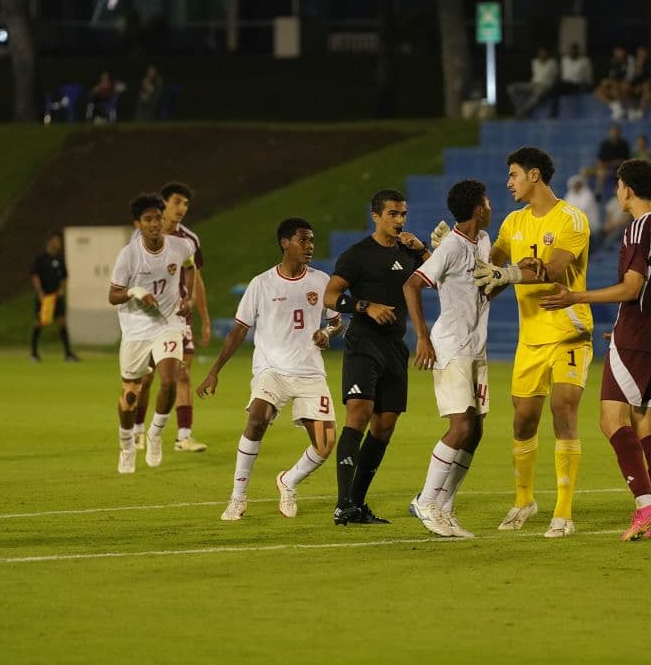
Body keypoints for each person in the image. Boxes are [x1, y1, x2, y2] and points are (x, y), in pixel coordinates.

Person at [540, 158, 651, 540]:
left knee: (610, 421)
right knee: (646, 425)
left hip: (637, 335)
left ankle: (645, 504)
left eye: (619, 184)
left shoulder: (639, 228)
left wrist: (576, 296)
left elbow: (631, 288)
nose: (616, 191)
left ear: (628, 189)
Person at [472, 147, 593, 538]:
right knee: (523, 420)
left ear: (535, 175)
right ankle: (524, 500)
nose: (509, 183)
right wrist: (454, 252)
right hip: (532, 338)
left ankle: (563, 511)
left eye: (513, 175)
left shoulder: (571, 219)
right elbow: (489, 273)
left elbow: (553, 269)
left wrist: (506, 274)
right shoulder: (512, 223)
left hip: (569, 330)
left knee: (563, 409)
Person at [197, 218, 345, 521]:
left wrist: (327, 334)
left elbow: (336, 320)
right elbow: (239, 330)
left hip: (309, 372)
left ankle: (288, 481)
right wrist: (215, 370)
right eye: (303, 240)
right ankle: (238, 498)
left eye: (312, 240)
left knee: (326, 445)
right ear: (285, 243)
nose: (310, 246)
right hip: (272, 369)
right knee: (258, 417)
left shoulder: (321, 280)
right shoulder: (261, 284)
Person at [323, 189, 430, 525]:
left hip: (395, 347)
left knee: (384, 426)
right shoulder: (357, 255)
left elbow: (441, 280)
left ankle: (357, 502)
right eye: (392, 214)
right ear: (376, 216)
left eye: (403, 214)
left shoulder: (409, 253)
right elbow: (330, 296)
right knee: (360, 412)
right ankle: (342, 505)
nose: (399, 221)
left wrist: (423, 250)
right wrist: (366, 307)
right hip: (364, 343)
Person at [403, 179, 493, 538]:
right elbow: (411, 284)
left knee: (476, 430)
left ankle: (445, 505)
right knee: (460, 427)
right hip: (451, 345)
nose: (490, 208)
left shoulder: (482, 242)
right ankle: (426, 501)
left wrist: (511, 275)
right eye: (486, 203)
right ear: (477, 209)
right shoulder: (453, 245)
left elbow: (485, 289)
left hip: (476, 346)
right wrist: (423, 338)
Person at [107, 193, 195, 474]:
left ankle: (156, 434)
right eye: (148, 220)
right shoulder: (129, 255)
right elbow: (113, 295)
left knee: (169, 380)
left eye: (158, 217)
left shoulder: (180, 246)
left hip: (168, 324)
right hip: (135, 330)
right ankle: (126, 445)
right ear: (138, 225)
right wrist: (135, 291)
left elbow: (190, 267)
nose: (155, 223)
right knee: (131, 394)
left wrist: (188, 297)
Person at [131, 182, 210, 454]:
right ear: (163, 203)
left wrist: (204, 317)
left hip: (178, 317)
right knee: (147, 376)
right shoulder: (140, 237)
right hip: (147, 318)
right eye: (177, 201)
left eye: (186, 204)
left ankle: (183, 436)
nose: (182, 208)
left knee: (182, 374)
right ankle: (139, 431)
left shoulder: (189, 240)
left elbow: (196, 280)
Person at [30, 233, 78, 363]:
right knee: (40, 322)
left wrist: (62, 289)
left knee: (62, 322)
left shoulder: (60, 259)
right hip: (45, 298)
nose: (58, 244)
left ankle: (68, 354)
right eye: (56, 241)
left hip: (56, 297)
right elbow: (35, 276)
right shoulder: (40, 259)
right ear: (50, 242)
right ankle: (34, 353)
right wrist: (40, 293)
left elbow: (64, 276)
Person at [508, 46, 559, 119]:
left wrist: (551, 87)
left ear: (548, 53)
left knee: (537, 93)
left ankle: (520, 113)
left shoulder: (552, 63)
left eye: (544, 52)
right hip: (533, 84)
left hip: (545, 86)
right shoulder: (534, 62)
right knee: (511, 88)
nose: (542, 54)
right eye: (540, 52)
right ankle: (521, 111)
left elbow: (556, 77)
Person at [550, 42, 593, 118]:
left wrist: (588, 86)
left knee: (559, 86)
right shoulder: (564, 60)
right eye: (571, 50)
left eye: (574, 50)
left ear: (578, 51)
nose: (572, 52)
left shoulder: (584, 61)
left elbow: (588, 76)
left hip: (577, 84)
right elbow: (560, 73)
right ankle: (553, 113)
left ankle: (554, 113)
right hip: (564, 84)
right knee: (555, 87)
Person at [595, 45, 635, 120]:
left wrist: (615, 82)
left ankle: (630, 110)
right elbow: (612, 77)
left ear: (624, 52)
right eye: (617, 52)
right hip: (617, 84)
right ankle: (615, 107)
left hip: (630, 84)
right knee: (598, 91)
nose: (619, 53)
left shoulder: (630, 60)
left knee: (617, 86)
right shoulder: (613, 61)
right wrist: (606, 82)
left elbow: (630, 76)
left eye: (620, 51)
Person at [592, 124, 631, 197]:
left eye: (616, 132)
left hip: (620, 169)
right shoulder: (605, 144)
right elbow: (600, 161)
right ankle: (598, 192)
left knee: (625, 174)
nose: (615, 134)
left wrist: (616, 163)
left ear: (620, 133)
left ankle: (619, 193)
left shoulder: (624, 144)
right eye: (613, 132)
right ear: (609, 133)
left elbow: (625, 161)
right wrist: (609, 164)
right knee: (599, 172)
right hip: (607, 168)